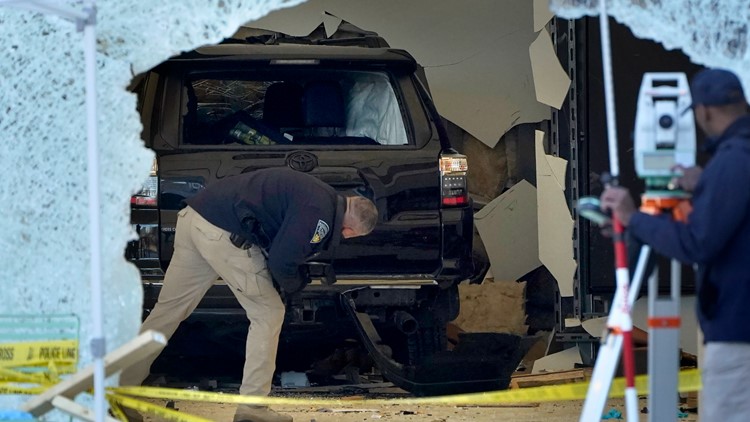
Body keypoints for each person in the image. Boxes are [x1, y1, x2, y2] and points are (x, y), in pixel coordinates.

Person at [120, 168, 378, 422]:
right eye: (347, 235)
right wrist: (295, 284)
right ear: (351, 231)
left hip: (194, 217)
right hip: (224, 233)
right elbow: (281, 261)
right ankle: (252, 408)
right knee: (268, 313)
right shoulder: (318, 215)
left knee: (168, 311)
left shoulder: (320, 194)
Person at [600, 68, 750, 421]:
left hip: (736, 334)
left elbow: (697, 242)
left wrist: (633, 217)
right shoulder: (734, 161)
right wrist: (705, 183)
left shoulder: (732, 162)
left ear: (704, 111)